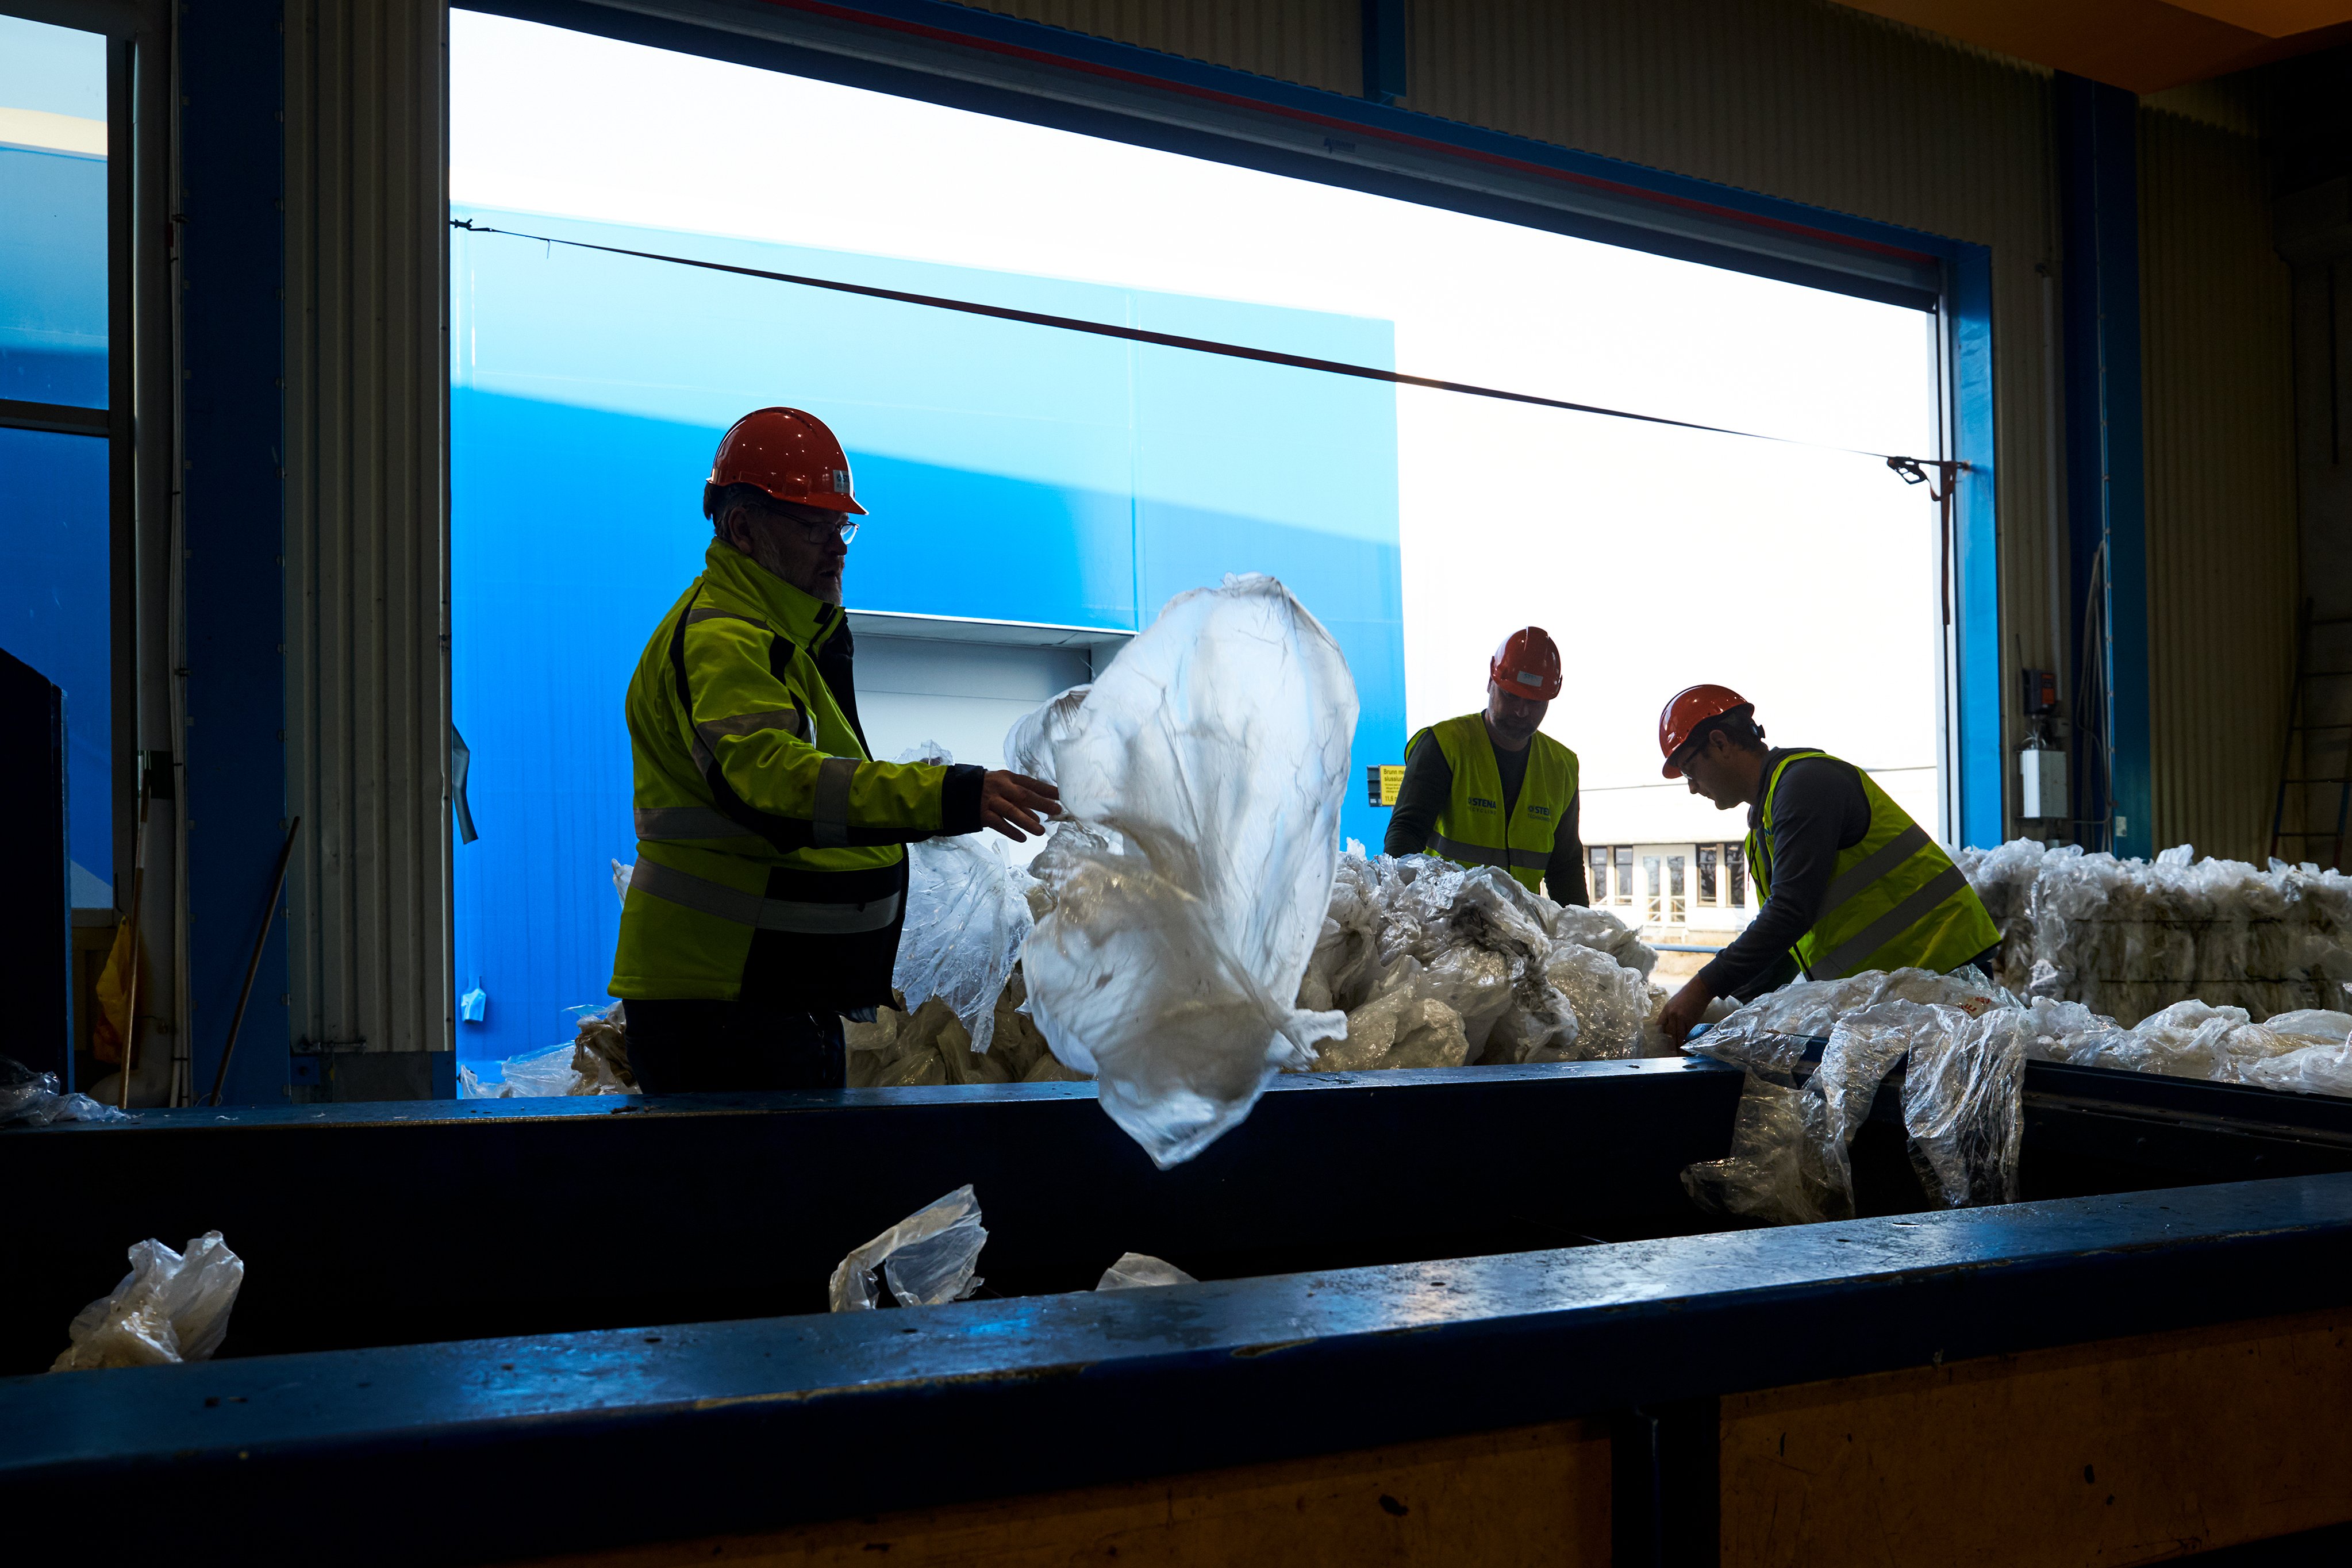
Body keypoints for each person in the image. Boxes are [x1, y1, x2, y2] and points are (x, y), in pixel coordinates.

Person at [609, 407, 1060, 1092]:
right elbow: (781, 787)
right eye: (813, 527)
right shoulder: (721, 640)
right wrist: (951, 795)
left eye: (840, 526)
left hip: (765, 1001)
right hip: (721, 1007)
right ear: (742, 529)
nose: (838, 546)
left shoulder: (781, 639)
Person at [1652, 684, 2001, 1047]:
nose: (1693, 788)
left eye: (1690, 769)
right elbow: (1785, 943)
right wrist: (1738, 1012)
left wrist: (1703, 987)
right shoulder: (1763, 826)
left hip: (1944, 969)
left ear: (1721, 742)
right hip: (1897, 991)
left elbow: (1790, 911)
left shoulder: (1806, 783)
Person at [1383, 627, 1586, 905]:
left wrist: (1583, 938)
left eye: (1534, 702)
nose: (1521, 711)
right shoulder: (1444, 746)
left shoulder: (1561, 766)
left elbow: (1565, 868)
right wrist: (1403, 912)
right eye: (1512, 696)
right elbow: (1405, 836)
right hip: (1444, 925)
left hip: (1521, 931)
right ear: (1491, 683)